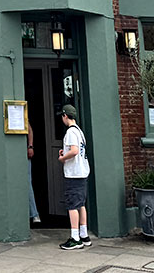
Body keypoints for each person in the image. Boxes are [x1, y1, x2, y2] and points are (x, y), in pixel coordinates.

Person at [57, 104, 90, 250]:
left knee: (72, 206)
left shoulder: (70, 132)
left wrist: (63, 158)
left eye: (62, 116)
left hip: (74, 174)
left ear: (65, 116)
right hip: (82, 172)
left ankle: (75, 238)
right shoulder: (79, 131)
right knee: (81, 204)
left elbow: (75, 151)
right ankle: (84, 235)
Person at [26, 121, 40, 225]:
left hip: (24, 153)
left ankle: (34, 214)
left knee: (27, 183)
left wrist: (30, 146)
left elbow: (29, 130)